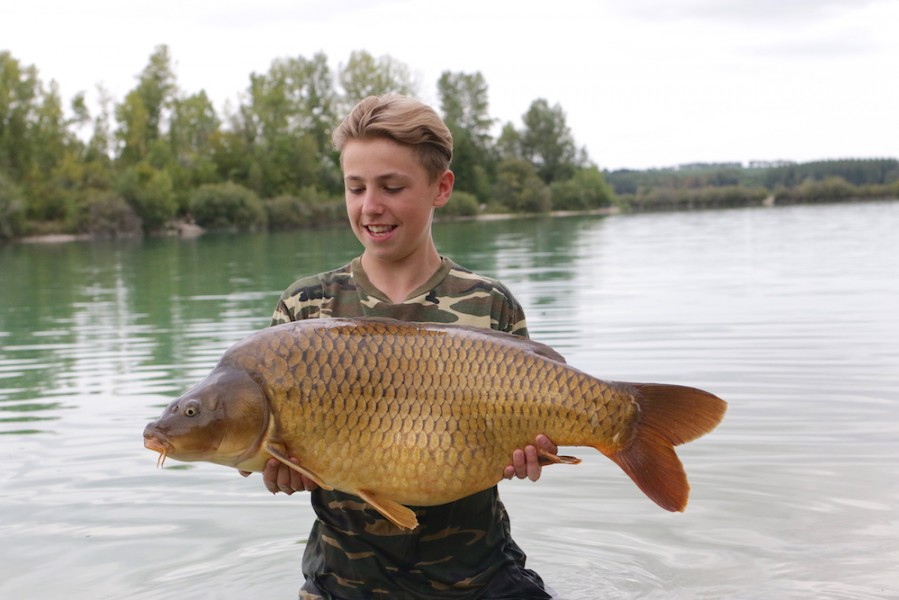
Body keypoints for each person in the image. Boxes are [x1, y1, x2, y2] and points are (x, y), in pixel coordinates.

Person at [248, 94, 557, 599]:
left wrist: (533, 453)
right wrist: (275, 469)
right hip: (343, 582)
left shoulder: (489, 304)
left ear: (442, 187)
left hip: (478, 579)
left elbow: (530, 435)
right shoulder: (305, 308)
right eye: (356, 187)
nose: (371, 206)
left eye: (392, 187)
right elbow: (260, 443)